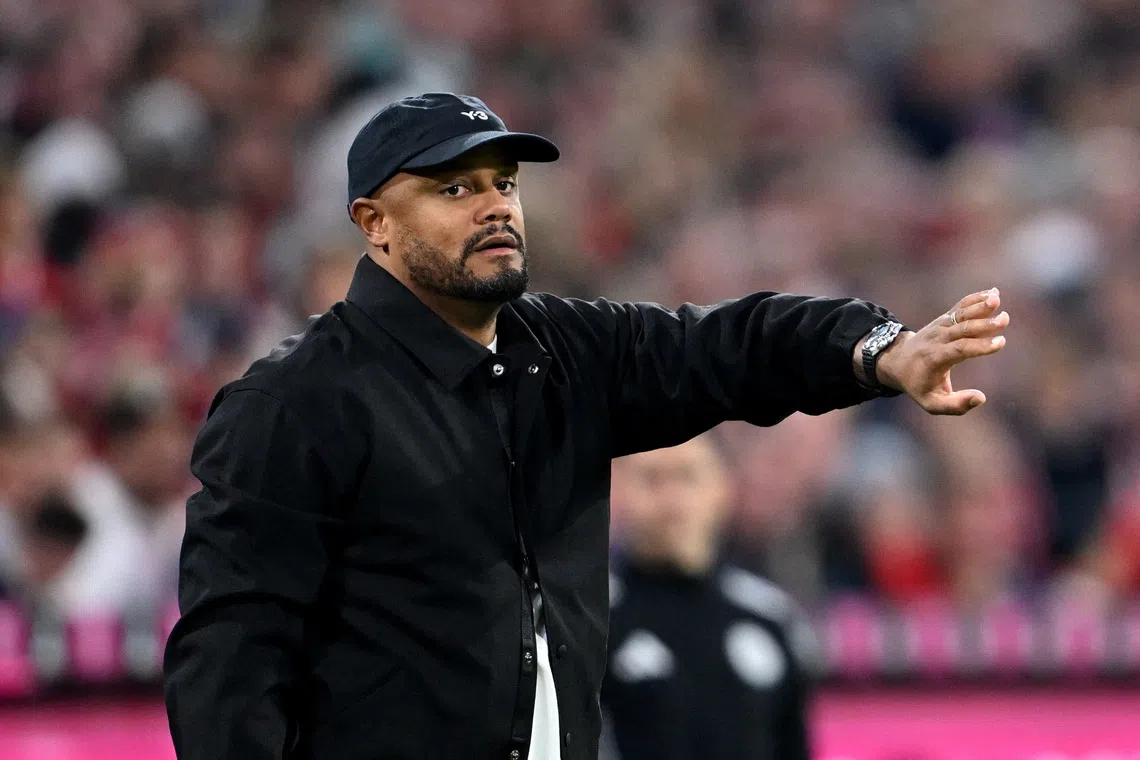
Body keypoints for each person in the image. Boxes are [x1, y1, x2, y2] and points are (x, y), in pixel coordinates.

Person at [163, 93, 1010, 760]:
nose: (494, 207)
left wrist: (877, 349)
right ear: (373, 223)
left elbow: (726, 346)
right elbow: (231, 659)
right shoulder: (295, 402)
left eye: (504, 183)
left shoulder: (564, 351)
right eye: (454, 188)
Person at [603, 435, 815, 760]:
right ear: (620, 490)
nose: (673, 501)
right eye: (652, 479)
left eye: (688, 476)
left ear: (723, 488)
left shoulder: (771, 618)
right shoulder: (592, 620)